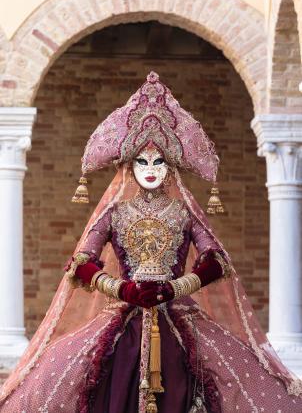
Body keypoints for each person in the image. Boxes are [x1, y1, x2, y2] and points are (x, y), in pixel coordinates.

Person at [0, 72, 302, 413]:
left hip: (176, 312)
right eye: (142, 161)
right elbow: (80, 263)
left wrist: (175, 288)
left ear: (171, 167)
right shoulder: (114, 213)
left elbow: (217, 260)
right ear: (129, 165)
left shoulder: (184, 212)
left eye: (159, 161)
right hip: (125, 313)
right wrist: (121, 290)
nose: (151, 169)